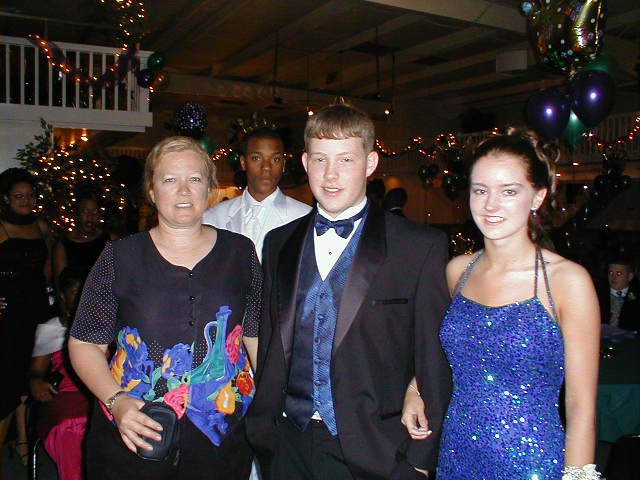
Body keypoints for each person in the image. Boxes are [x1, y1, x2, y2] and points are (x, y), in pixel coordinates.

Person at [246, 103, 451, 479]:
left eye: (346, 159)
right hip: (287, 442)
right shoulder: (278, 243)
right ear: (305, 162)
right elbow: (273, 340)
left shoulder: (418, 247)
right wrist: (264, 431)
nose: (331, 174)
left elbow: (433, 355)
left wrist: (421, 460)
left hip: (375, 449)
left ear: (370, 163)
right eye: (320, 159)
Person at [402, 129, 601, 479]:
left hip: (532, 464)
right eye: (480, 190)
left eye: (509, 191)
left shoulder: (568, 282)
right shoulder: (457, 271)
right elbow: (442, 353)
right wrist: (415, 388)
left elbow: (581, 408)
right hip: (457, 456)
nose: (490, 205)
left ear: (537, 197)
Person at [68, 136, 262, 480]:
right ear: (152, 191)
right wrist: (116, 401)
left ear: (210, 189)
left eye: (195, 179)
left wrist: (271, 406)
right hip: (134, 428)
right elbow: (85, 343)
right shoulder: (119, 257)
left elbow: (256, 335)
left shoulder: (240, 252)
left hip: (222, 433)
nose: (184, 190)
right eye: (170, 179)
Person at [0, 167, 52, 469]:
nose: (26, 201)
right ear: (6, 198)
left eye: (30, 195)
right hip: (8, 314)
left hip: (35, 309)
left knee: (25, 376)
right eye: (19, 196)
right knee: (8, 378)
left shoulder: (40, 225)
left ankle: (22, 439)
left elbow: (49, 266)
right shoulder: (1, 227)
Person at [202, 126, 310, 261]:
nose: (266, 167)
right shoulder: (214, 217)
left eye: (275, 159)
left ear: (283, 165)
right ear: (243, 163)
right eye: (256, 158)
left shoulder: (305, 219)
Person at [30, 267, 90, 480]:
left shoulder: (104, 324)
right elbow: (36, 370)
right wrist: (36, 381)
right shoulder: (52, 328)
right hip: (66, 394)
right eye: (75, 291)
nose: (81, 295)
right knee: (71, 425)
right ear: (63, 296)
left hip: (100, 392)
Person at [53, 190, 116, 285]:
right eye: (85, 211)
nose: (90, 217)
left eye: (94, 212)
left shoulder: (109, 240)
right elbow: (60, 284)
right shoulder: (63, 245)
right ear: (77, 213)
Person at [599, 259, 639, 332]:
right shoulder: (597, 294)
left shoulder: (636, 294)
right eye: (611, 273)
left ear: (629, 277)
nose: (613, 277)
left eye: (619, 274)